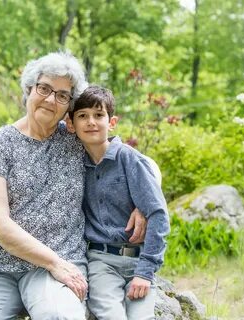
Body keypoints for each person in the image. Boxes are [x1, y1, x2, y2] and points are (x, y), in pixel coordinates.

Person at [0, 52, 147, 320]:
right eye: (44, 89)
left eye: (62, 95)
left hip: (59, 264)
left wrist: (143, 204)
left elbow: (136, 162)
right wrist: (53, 263)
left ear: (68, 105)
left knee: (61, 316)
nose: (51, 99)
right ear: (29, 89)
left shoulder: (77, 138)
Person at [66, 85, 170, 320]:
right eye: (82, 116)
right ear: (71, 124)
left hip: (139, 260)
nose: (91, 122)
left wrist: (145, 272)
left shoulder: (129, 159)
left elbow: (158, 215)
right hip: (101, 262)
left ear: (112, 122)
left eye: (98, 115)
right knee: (111, 315)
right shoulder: (74, 163)